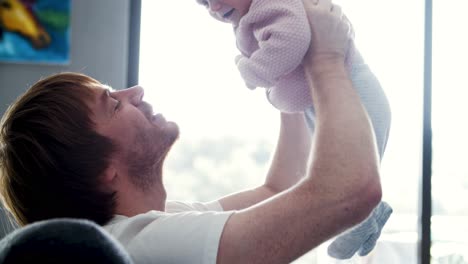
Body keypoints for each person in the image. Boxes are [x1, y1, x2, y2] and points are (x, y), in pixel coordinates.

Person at [0, 1, 382, 263]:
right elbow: (348, 193)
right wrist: (326, 58)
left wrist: (287, 75)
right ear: (103, 172)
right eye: (114, 104)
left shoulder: (151, 224)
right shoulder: (143, 244)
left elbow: (277, 191)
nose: (135, 92)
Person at [196, 0, 392, 259]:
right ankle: (371, 216)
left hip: (357, 96)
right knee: (332, 168)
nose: (213, 7)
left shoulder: (273, 4)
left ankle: (365, 217)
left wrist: (252, 71)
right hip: (325, 105)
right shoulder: (255, 16)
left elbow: (293, 39)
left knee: (347, 172)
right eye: (204, 2)